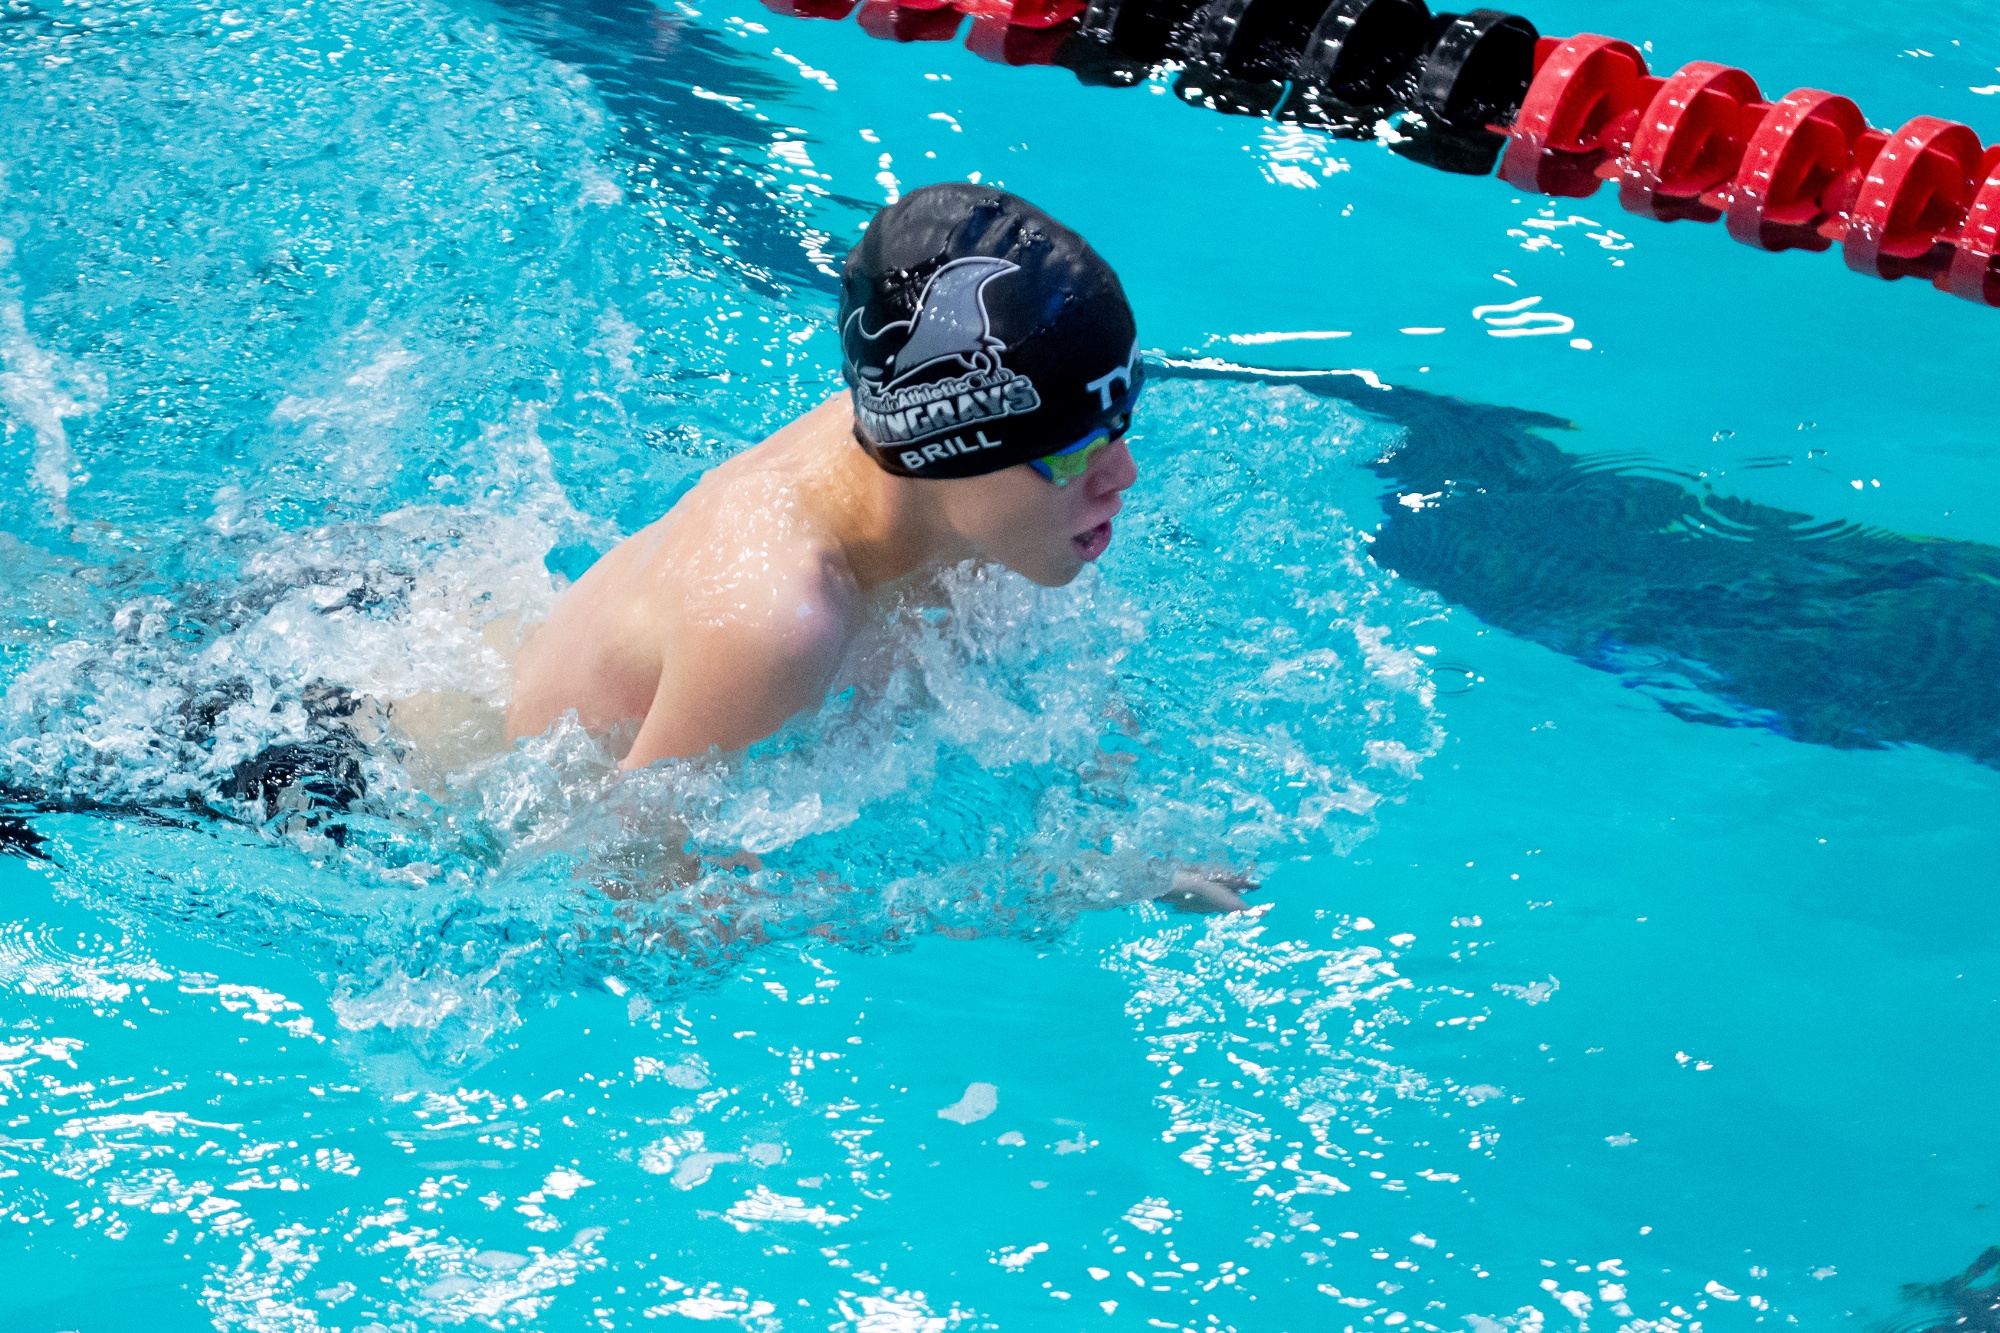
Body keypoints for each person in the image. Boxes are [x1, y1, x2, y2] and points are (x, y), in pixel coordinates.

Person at [506, 184, 1246, 909]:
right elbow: (616, 881)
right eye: (1074, 452)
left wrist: (1135, 834)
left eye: (1120, 424)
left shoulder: (940, 473)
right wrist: (1033, 889)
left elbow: (1052, 691)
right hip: (497, 792)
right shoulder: (774, 623)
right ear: (950, 453)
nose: (1124, 474)